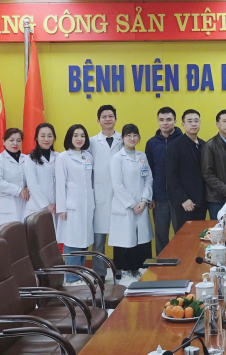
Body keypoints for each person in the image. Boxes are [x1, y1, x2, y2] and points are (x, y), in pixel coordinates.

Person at [109, 124, 153, 280]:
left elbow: (148, 179)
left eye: (135, 135)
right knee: (125, 239)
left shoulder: (142, 156)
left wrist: (144, 200)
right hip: (125, 205)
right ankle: (124, 271)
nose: (132, 138)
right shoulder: (117, 158)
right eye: (128, 135)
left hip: (141, 204)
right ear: (123, 138)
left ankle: (138, 269)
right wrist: (132, 204)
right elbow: (117, 184)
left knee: (141, 239)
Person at [55, 124, 96, 284]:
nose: (79, 139)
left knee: (84, 241)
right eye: (76, 135)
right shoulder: (63, 157)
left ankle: (80, 274)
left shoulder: (88, 156)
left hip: (87, 206)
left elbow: (90, 182)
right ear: (70, 138)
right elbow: (60, 184)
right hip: (71, 206)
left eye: (82, 136)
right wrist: (61, 208)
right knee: (72, 241)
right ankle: (71, 278)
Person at [87, 104, 121, 281]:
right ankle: (99, 272)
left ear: (115, 119)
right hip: (99, 195)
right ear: (98, 121)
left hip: (119, 195)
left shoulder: (123, 139)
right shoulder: (91, 142)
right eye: (104, 117)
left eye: (111, 116)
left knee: (120, 236)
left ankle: (120, 268)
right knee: (99, 239)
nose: (108, 119)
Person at [144, 106, 182, 255]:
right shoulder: (151, 143)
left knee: (182, 236)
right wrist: (151, 195)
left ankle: (183, 265)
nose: (165, 123)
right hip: (159, 198)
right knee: (161, 236)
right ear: (158, 121)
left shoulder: (182, 140)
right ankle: (162, 265)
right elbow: (149, 172)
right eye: (161, 120)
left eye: (168, 119)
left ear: (175, 121)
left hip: (179, 199)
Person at [165, 109, 206, 232]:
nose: (193, 124)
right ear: (183, 124)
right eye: (190, 121)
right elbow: (171, 176)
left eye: (196, 121)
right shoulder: (175, 146)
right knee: (184, 238)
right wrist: (183, 199)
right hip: (184, 203)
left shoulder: (204, 145)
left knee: (200, 236)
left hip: (201, 201)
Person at [202, 110, 226, 220]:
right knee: (219, 227)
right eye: (225, 121)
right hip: (217, 197)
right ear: (217, 124)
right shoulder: (210, 145)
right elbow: (207, 174)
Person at [0, 128, 29, 228]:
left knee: (24, 235)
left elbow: (32, 178)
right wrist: (19, 191)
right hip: (5, 208)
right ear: (4, 141)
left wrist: (28, 187)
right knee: (5, 235)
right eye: (11, 140)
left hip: (25, 204)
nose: (15, 143)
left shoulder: (27, 159)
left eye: (18, 140)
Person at [23, 123, 58, 228]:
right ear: (37, 138)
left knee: (54, 237)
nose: (46, 139)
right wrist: (47, 204)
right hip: (37, 207)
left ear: (54, 138)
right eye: (42, 136)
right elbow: (32, 184)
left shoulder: (59, 157)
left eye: (50, 136)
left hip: (56, 208)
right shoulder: (30, 159)